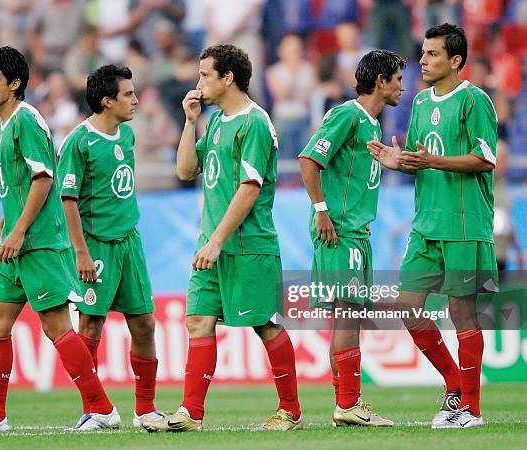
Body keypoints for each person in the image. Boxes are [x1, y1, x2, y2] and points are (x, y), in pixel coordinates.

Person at [0, 46, 119, 432]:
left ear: (15, 84)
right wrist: (3, 225)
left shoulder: (26, 120)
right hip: (16, 243)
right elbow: (20, 186)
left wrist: (20, 229)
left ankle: (102, 408)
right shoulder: (5, 125)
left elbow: (45, 178)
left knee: (55, 325)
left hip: (39, 243)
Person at [143, 44, 302, 432]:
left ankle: (291, 412)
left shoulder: (255, 122)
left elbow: (249, 188)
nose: (198, 83)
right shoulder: (214, 122)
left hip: (247, 245)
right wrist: (189, 121)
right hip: (212, 244)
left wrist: (216, 240)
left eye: (204, 75)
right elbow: (185, 171)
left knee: (265, 325)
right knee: (198, 321)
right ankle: (190, 414)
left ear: (227, 77)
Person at [367, 24, 498, 429]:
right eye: (422, 53)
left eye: (432, 54)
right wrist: (397, 161)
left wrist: (432, 162)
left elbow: (485, 160)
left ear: (455, 60)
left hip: (463, 222)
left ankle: (471, 411)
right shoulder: (421, 103)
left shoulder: (475, 101)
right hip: (426, 224)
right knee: (407, 306)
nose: (422, 61)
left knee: (463, 314)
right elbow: (420, 158)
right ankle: (455, 385)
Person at [299, 50, 405, 427]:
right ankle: (348, 403)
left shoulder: (372, 125)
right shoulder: (349, 115)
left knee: (350, 317)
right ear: (379, 81)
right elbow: (310, 159)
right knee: (347, 316)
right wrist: (322, 209)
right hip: (338, 231)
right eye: (396, 79)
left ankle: (346, 403)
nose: (401, 87)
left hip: (354, 231)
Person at [57, 64, 166, 428]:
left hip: (129, 242)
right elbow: (67, 199)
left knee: (145, 325)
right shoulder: (79, 142)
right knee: (91, 327)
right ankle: (94, 409)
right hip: (96, 247)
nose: (135, 100)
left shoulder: (126, 136)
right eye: (128, 94)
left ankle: (146, 409)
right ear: (107, 101)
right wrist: (81, 252)